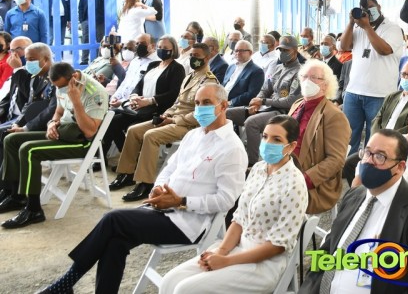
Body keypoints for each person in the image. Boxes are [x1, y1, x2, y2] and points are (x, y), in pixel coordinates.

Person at [38, 84, 247, 294]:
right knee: (115, 242)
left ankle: (65, 283)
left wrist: (181, 202)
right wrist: (158, 189)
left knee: (113, 219)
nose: (200, 108)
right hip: (162, 210)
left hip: (188, 223)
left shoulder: (232, 148)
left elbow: (226, 200)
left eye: (207, 103)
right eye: (197, 103)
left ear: (223, 106)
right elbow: (169, 168)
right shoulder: (194, 135)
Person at [160, 115, 307, 294]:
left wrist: (226, 261)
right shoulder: (258, 169)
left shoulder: (294, 184)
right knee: (169, 281)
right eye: (265, 136)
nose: (268, 143)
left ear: (290, 146)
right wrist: (221, 252)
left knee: (185, 289)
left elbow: (277, 246)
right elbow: (239, 219)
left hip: (264, 265)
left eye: (276, 139)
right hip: (236, 248)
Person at [298, 129, 408, 293]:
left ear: (399, 167)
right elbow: (327, 251)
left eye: (380, 156)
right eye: (367, 153)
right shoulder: (354, 196)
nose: (369, 161)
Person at [0, 62, 108, 228]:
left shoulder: (95, 92)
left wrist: (76, 101)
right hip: (62, 132)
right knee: (11, 140)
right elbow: (58, 111)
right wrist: (52, 123)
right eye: (57, 87)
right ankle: (15, 196)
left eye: (62, 87)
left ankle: (33, 209)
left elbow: (89, 132)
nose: (60, 90)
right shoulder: (62, 84)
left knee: (29, 150)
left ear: (74, 78)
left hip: (80, 142)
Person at [109, 43, 219, 201]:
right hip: (172, 118)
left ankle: (146, 183)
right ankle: (126, 173)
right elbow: (177, 103)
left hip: (189, 125)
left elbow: (201, 113)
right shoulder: (190, 76)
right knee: (134, 131)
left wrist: (173, 119)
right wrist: (165, 115)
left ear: (207, 58)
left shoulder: (209, 82)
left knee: (151, 136)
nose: (192, 58)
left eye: (197, 56)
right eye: (191, 55)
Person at [277, 61, 349, 213]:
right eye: (304, 76)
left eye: (314, 77)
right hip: (283, 168)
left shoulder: (334, 115)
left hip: (311, 182)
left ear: (325, 85)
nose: (307, 81)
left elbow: (336, 160)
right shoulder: (298, 104)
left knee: (267, 200)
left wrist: (303, 179)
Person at [341, 0, 404, 154]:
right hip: (353, 92)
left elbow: (384, 50)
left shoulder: (393, 28)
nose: (367, 11)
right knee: (348, 137)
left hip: (380, 95)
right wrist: (351, 23)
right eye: (364, 9)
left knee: (375, 139)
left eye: (371, 7)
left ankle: (370, 167)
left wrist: (367, 27)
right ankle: (349, 166)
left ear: (379, 7)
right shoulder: (357, 28)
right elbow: (344, 46)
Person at [103, 35, 185, 156]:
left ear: (173, 50)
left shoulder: (177, 69)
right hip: (140, 108)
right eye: (159, 47)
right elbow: (139, 85)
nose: (161, 50)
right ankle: (122, 155)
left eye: (165, 48)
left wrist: (150, 101)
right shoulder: (153, 65)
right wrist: (134, 96)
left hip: (157, 110)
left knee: (123, 124)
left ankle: (130, 157)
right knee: (111, 119)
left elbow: (173, 94)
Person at [226, 36, 302, 166]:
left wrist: (264, 101)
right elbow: (265, 88)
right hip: (266, 108)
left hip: (282, 113)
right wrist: (257, 102)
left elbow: (290, 101)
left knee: (251, 123)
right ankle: (231, 152)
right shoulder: (278, 68)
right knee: (227, 113)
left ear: (295, 51)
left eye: (286, 50)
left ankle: (252, 163)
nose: (282, 53)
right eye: (280, 50)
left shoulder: (299, 72)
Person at [369, 60, 408, 134]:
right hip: (380, 137)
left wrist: (391, 138)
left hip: (401, 139)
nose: (406, 77)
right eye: (403, 74)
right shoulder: (391, 96)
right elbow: (377, 119)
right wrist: (376, 136)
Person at [109, 34, 159, 107]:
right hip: (121, 101)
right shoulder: (135, 61)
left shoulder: (157, 63)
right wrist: (115, 97)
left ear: (153, 46)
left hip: (135, 105)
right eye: (137, 44)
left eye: (143, 43)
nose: (139, 46)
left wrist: (123, 102)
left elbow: (145, 91)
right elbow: (125, 82)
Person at [222, 40, 265, 110]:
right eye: (236, 50)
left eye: (241, 51)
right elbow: (223, 85)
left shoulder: (257, 71)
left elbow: (250, 94)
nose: (238, 53)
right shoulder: (231, 66)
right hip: (221, 101)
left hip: (235, 106)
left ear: (250, 53)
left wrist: (230, 102)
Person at [77, 0, 105, 65]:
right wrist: (82, 20)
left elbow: (104, 0)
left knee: (98, 39)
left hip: (99, 20)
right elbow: (80, 7)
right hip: (86, 20)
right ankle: (84, 59)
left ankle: (97, 59)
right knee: (85, 39)